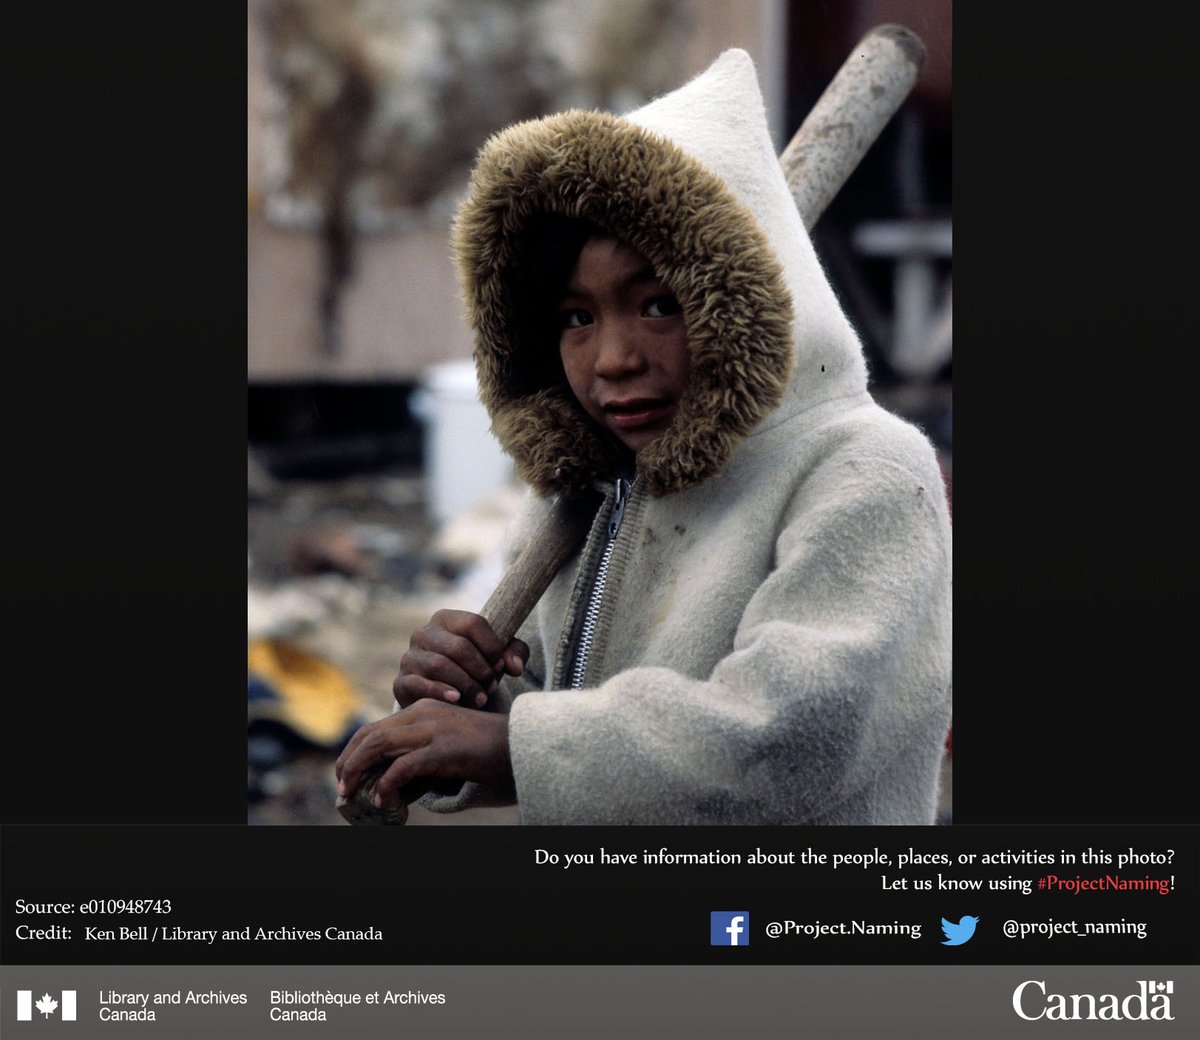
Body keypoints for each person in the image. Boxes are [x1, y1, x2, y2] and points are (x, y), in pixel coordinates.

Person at [335, 48, 952, 825]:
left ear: (739, 304)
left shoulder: (865, 472)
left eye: (659, 305)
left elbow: (794, 738)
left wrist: (513, 747)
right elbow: (564, 702)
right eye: (575, 318)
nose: (615, 360)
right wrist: (474, 702)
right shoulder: (592, 491)